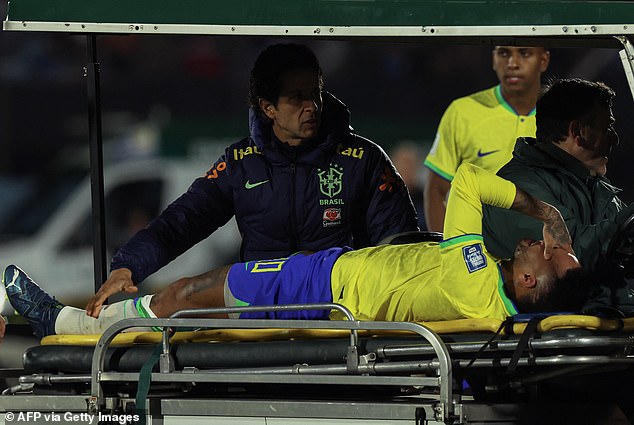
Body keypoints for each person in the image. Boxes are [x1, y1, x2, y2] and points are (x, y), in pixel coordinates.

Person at [3, 164, 590, 338]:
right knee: (194, 294)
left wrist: (547, 217)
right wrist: (551, 218)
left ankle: (68, 323)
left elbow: (465, 182)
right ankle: (73, 321)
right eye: (548, 243)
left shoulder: (480, 288)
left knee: (191, 294)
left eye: (548, 255)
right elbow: (462, 183)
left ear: (532, 285)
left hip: (327, 292)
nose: (542, 246)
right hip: (333, 272)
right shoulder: (482, 269)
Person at [96, 43, 418, 315]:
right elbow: (183, 220)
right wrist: (128, 266)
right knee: (181, 296)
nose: (312, 107)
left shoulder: (364, 160)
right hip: (257, 311)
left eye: (315, 93)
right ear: (269, 108)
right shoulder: (241, 164)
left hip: (339, 310)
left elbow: (399, 247)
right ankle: (81, 321)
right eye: (297, 98)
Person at [481, 78, 634, 312]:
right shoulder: (517, 185)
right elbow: (571, 260)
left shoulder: (597, 189)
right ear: (578, 132)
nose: (614, 138)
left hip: (609, 324)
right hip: (551, 340)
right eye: (607, 128)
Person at [423, 46, 551, 232]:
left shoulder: (562, 116)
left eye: (524, 53)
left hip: (542, 251)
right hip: (477, 250)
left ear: (543, 60)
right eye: (504, 53)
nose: (512, 64)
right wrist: (447, 249)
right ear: (493, 59)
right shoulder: (463, 111)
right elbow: (436, 189)